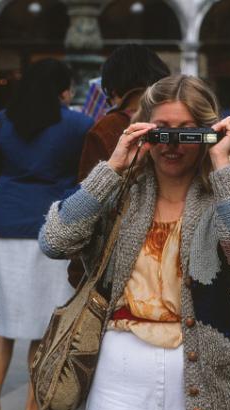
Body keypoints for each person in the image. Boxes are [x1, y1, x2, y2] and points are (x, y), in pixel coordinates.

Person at [39, 75, 230, 410]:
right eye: (162, 131)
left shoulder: (221, 193)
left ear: (207, 131)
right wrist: (112, 167)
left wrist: (223, 166)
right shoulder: (122, 187)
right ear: (145, 129)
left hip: (201, 358)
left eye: (186, 133)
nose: (172, 145)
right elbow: (55, 240)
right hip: (121, 360)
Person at [0, 59, 94, 410]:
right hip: (52, 225)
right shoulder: (77, 125)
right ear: (64, 90)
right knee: (44, 324)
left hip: (4, 223)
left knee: (1, 325)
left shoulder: (3, 120)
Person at [67, 44, 170, 289]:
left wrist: (79, 271)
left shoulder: (107, 128)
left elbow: (89, 203)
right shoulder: (182, 124)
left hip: (121, 259)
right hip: (176, 248)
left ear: (114, 89)